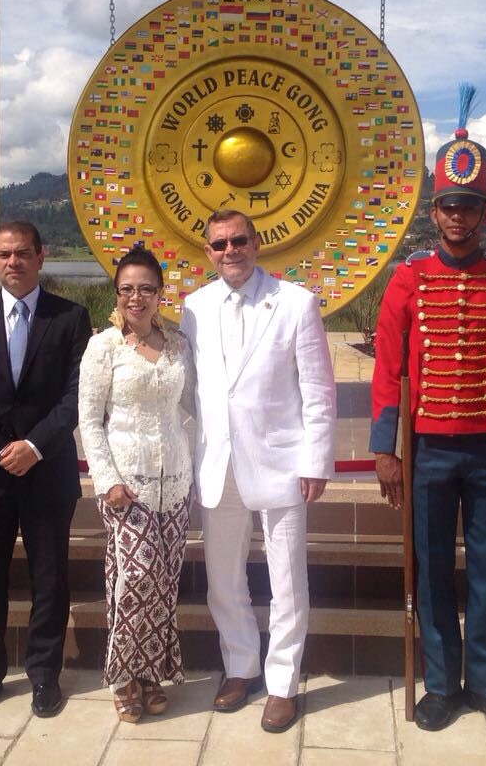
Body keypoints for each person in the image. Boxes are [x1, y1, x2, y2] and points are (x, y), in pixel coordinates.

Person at [369, 115, 486, 735]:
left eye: (469, 207)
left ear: (483, 213)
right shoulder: (409, 279)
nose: (458, 218)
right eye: (448, 206)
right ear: (434, 212)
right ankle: (441, 686)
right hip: (427, 451)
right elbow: (389, 371)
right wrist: (385, 453)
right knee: (434, 572)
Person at [180, 209, 336, 733]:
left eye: (239, 240)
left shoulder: (295, 303)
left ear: (257, 242)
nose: (230, 251)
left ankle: (283, 683)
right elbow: (192, 390)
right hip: (217, 463)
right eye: (219, 244)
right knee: (224, 579)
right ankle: (240, 666)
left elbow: (317, 390)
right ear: (208, 252)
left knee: (287, 580)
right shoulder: (194, 307)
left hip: (281, 460)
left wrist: (315, 460)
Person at [0, 220, 92, 720]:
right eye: (4, 254)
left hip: (48, 473)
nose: (14, 262)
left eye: (23, 252)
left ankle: (44, 675)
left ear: (41, 255)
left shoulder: (71, 318)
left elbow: (77, 395)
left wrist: (33, 445)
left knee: (50, 580)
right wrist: (3, 449)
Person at [77, 246, 196, 724]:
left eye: (147, 288)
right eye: (127, 288)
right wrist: (106, 481)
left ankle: (152, 673)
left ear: (160, 293)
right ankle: (124, 676)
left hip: (176, 483)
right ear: (117, 294)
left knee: (163, 583)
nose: (136, 297)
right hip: (126, 485)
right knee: (134, 577)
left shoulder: (179, 345)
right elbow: (89, 419)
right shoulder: (102, 347)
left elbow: (195, 405)